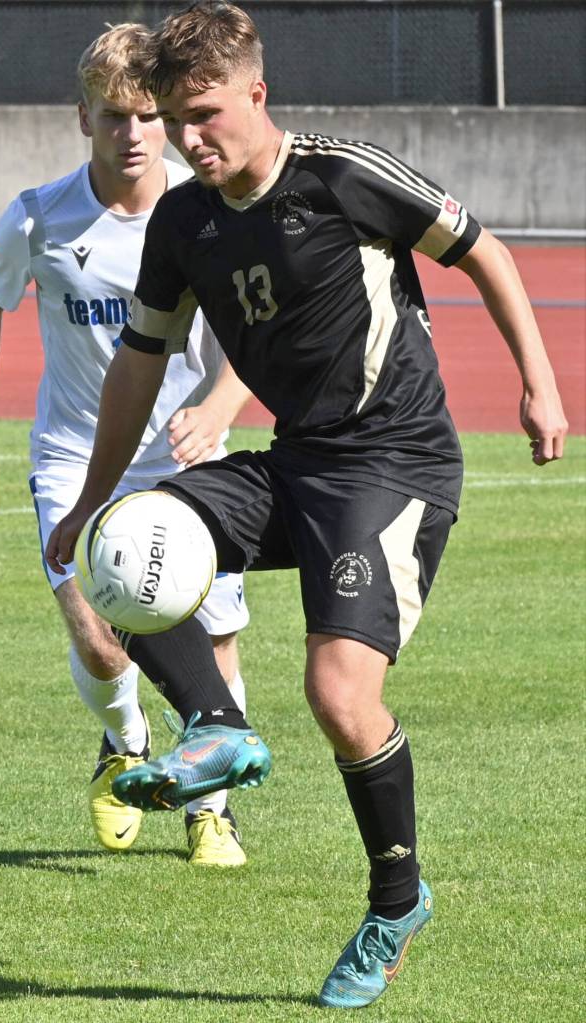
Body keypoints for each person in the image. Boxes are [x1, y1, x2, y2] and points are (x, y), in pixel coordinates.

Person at [46, 2, 568, 1009]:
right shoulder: (183, 221)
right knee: (122, 550)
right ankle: (215, 727)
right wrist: (92, 497)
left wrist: (537, 384)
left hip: (394, 468)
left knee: (338, 697)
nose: (186, 138)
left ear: (255, 93)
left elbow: (485, 251)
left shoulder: (341, 174)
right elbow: (137, 361)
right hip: (296, 462)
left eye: (202, 113)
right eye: (169, 116)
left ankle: (394, 897)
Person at [0, 22, 258, 868]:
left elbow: (251, 332)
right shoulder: (40, 217)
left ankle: (211, 809)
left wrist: (219, 401)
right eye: (114, 116)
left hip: (192, 459)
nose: (133, 135)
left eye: (149, 117)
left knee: (215, 633)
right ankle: (125, 739)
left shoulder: (209, 211)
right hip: (75, 457)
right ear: (82, 117)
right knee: (93, 625)